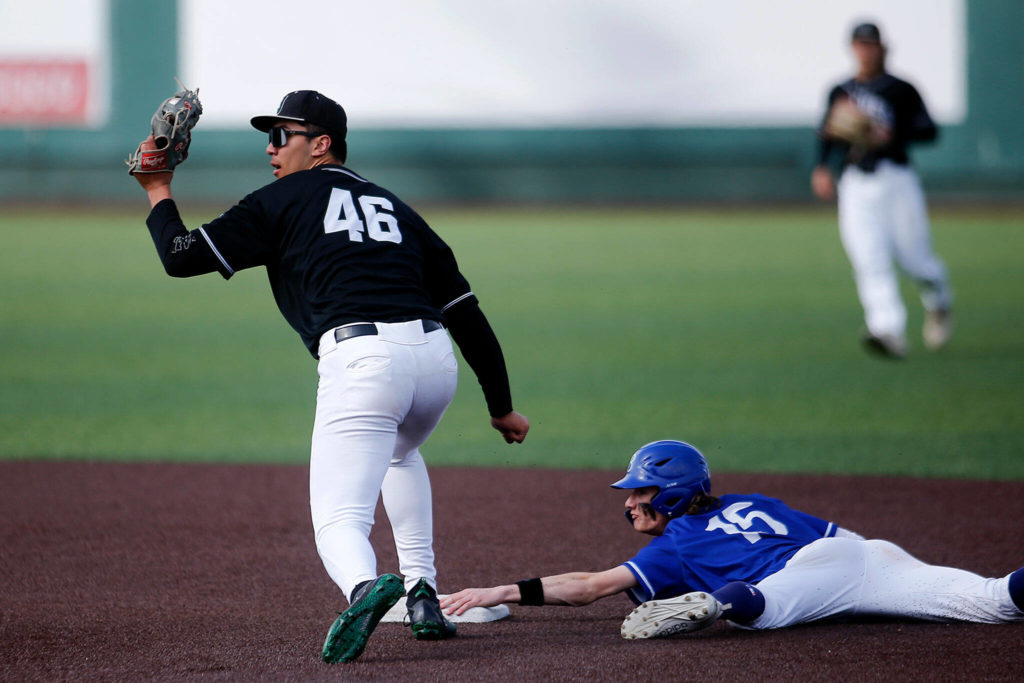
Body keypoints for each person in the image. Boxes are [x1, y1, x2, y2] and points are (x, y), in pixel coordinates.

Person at [131, 90, 530, 663]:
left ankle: (365, 591)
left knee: (338, 519)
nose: (270, 148)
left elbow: (180, 254)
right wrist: (501, 406)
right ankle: (421, 592)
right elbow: (465, 308)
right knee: (399, 451)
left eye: (282, 135)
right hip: (434, 360)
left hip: (363, 362)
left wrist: (157, 190)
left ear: (321, 146)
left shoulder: (280, 200)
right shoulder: (396, 207)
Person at [441, 440, 1024, 637]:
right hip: (868, 552)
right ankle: (724, 599)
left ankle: (716, 603)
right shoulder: (753, 502)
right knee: (995, 601)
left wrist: (501, 591)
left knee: (759, 611)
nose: (629, 501)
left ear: (671, 494)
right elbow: (844, 542)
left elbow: (591, 586)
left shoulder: (680, 541)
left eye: (641, 492)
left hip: (808, 576)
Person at [811, 21, 953, 360]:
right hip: (855, 182)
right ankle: (886, 329)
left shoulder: (901, 90)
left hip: (896, 180)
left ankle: (939, 300)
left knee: (915, 260)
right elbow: (827, 133)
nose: (865, 51)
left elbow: (929, 131)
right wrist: (821, 167)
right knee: (868, 259)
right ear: (853, 49)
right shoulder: (841, 90)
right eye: (859, 45)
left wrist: (892, 133)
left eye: (870, 44)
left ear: (882, 48)